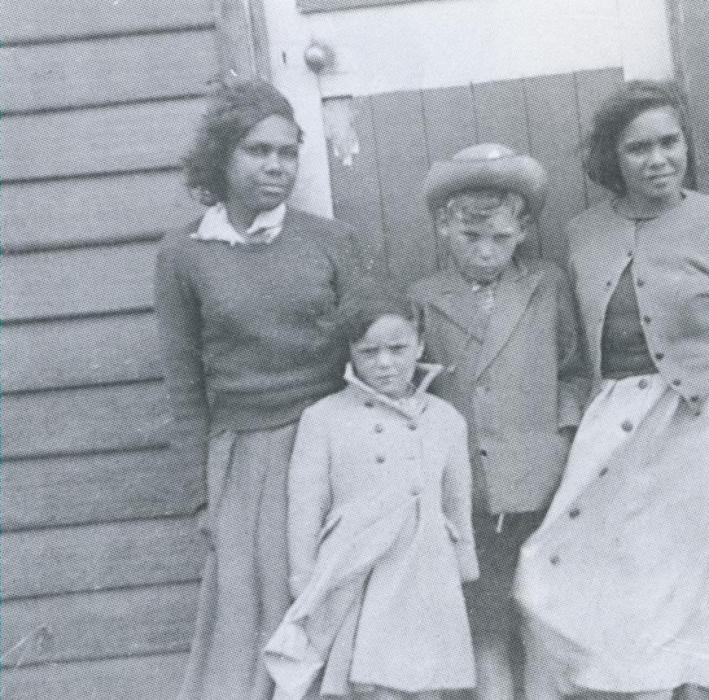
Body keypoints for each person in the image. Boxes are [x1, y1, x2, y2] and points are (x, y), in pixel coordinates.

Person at [514, 79, 709, 700]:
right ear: (613, 158)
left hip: (706, 420)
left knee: (675, 588)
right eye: (640, 149)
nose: (659, 159)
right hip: (618, 417)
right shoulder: (585, 232)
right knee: (559, 564)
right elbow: (577, 348)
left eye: (671, 142)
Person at [155, 79, 367, 700]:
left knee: (336, 603)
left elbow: (366, 345)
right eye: (258, 151)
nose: (277, 166)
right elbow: (185, 384)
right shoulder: (184, 253)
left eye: (287, 152)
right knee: (256, 618)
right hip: (246, 457)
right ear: (222, 158)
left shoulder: (329, 240)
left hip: (329, 444)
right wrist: (202, 495)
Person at [410, 143, 588, 700]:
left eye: (501, 238)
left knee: (543, 612)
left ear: (524, 230)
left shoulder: (547, 284)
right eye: (471, 237)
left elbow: (573, 369)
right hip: (468, 488)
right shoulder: (423, 297)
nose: (487, 251)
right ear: (443, 226)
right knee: (484, 619)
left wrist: (558, 438)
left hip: (540, 477)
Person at [263, 287, 478, 700]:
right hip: (359, 564)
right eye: (368, 352)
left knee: (424, 677)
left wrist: (463, 554)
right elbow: (306, 505)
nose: (384, 364)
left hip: (425, 565)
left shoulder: (445, 419)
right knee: (370, 680)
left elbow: (456, 498)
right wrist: (303, 574)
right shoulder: (324, 418)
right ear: (350, 352)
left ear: (419, 345)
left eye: (397, 349)